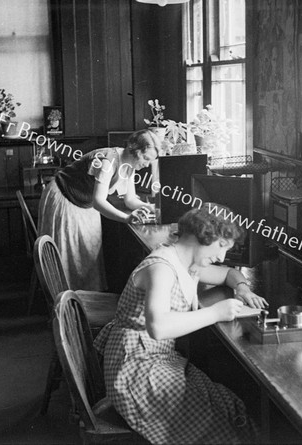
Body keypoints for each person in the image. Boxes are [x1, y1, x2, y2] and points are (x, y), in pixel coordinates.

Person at [94, 204, 269, 444]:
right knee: (215, 421)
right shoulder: (162, 268)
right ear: (205, 235)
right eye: (221, 246)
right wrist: (215, 313)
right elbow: (158, 327)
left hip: (155, 359)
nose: (221, 256)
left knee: (227, 403)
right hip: (135, 370)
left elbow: (229, 273)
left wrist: (242, 288)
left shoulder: (188, 264)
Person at [38, 129, 160, 291]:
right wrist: (126, 218)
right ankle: (68, 300)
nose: (147, 164)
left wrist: (151, 207)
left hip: (83, 200)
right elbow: (98, 201)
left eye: (151, 161)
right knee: (72, 253)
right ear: (133, 150)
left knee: (88, 253)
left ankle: (83, 297)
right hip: (65, 196)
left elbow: (130, 200)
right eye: (145, 158)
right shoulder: (108, 161)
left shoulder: (129, 164)